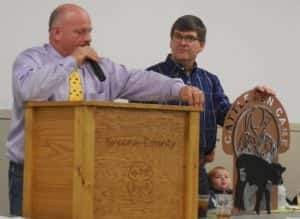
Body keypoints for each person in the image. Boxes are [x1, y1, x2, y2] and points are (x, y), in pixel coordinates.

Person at [5, 5, 204, 216]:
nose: (88, 38)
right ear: (56, 33)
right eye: (80, 32)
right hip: (36, 172)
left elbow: (137, 79)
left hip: (88, 172)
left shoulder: (99, 67)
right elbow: (29, 91)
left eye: (89, 31)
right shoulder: (30, 60)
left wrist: (178, 88)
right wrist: (72, 61)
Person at [133, 14, 275, 213]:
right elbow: (133, 123)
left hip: (197, 169)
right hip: (157, 167)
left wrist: (253, 100)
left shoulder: (210, 80)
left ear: (201, 45)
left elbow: (228, 118)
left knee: (200, 214)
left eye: (190, 38)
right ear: (171, 41)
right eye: (178, 36)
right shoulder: (150, 77)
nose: (183, 42)